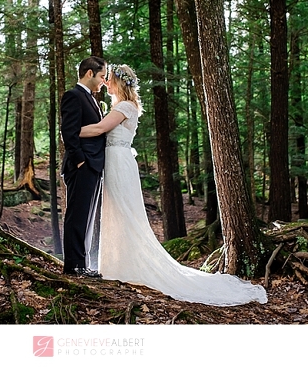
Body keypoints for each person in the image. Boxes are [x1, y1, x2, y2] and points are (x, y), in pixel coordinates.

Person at [80, 64, 268, 306]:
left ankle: (126, 268)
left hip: (119, 163)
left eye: (110, 79)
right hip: (116, 162)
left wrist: (73, 131)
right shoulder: (119, 106)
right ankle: (117, 265)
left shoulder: (125, 107)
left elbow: (100, 129)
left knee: (125, 214)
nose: (106, 82)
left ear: (119, 83)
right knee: (116, 214)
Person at [60, 56, 107, 277]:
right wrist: (80, 160)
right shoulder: (73, 96)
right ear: (89, 73)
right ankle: (73, 266)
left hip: (93, 165)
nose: (103, 82)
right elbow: (68, 132)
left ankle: (82, 264)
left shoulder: (90, 98)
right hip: (82, 165)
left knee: (87, 216)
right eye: (101, 77)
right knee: (77, 215)